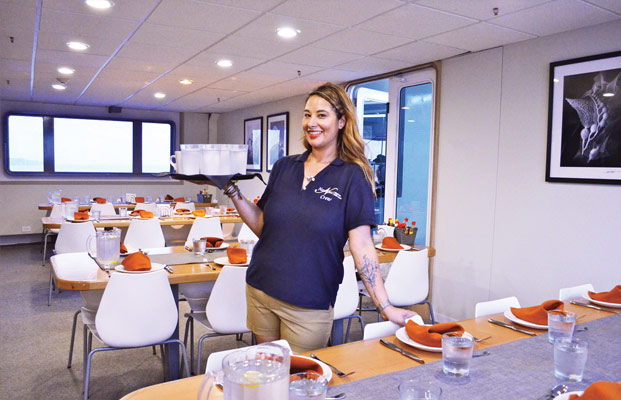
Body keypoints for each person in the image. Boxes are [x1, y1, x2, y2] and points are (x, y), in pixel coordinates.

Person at [221, 82, 418, 353]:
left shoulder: (353, 176)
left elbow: (361, 245)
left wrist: (384, 306)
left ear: (341, 121)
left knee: (300, 381)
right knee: (266, 376)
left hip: (308, 301)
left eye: (322, 115)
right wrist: (230, 189)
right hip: (260, 289)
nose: (311, 122)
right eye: (307, 114)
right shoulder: (284, 167)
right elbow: (263, 226)